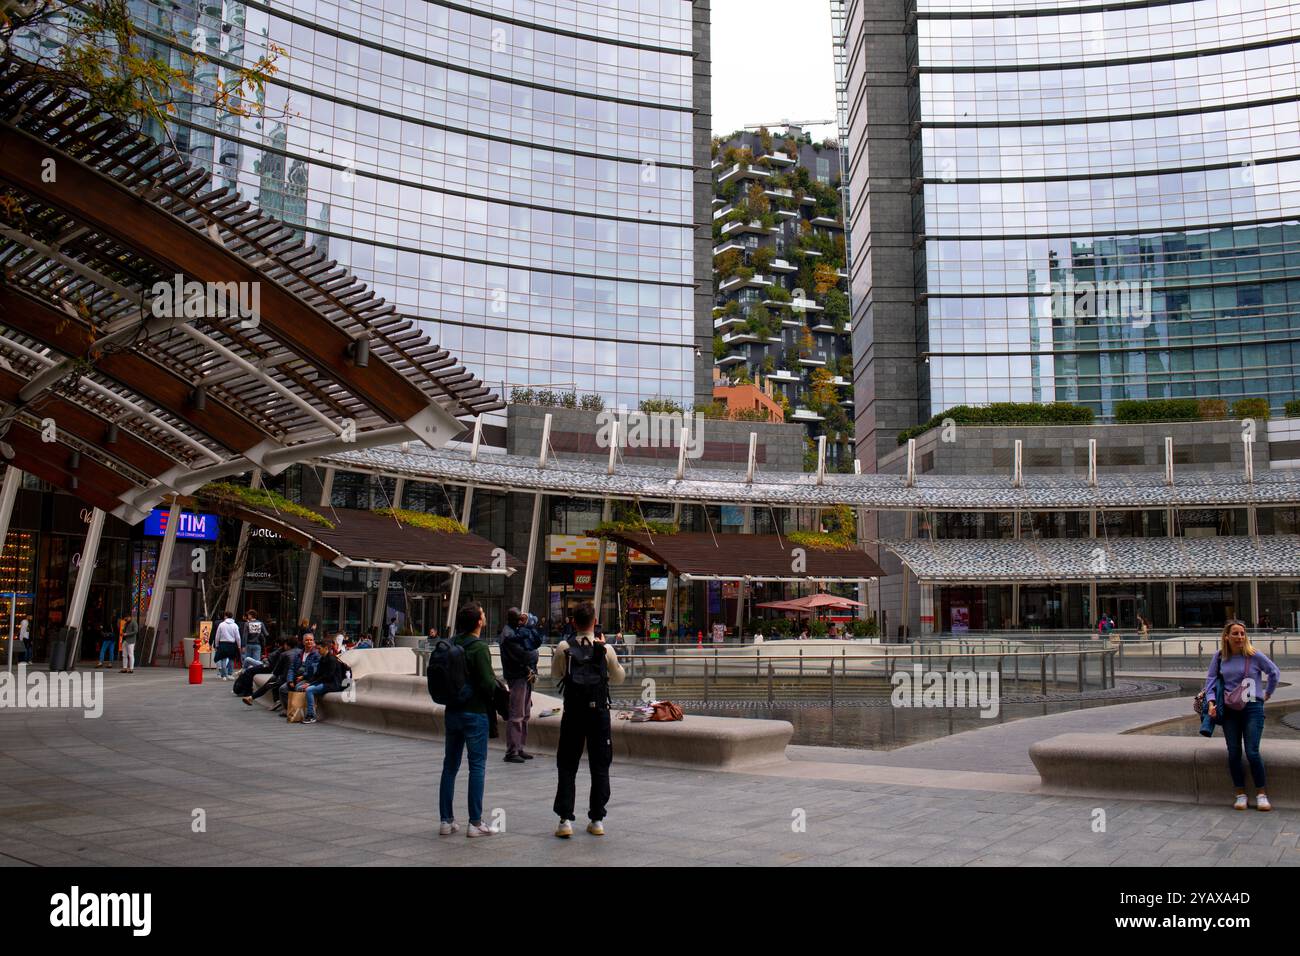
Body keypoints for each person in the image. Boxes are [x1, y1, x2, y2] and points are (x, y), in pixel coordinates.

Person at [551, 601, 626, 839]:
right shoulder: (605, 648)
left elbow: (555, 677)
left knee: (567, 765)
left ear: (573, 622)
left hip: (573, 713)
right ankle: (596, 819)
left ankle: (564, 820)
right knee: (600, 766)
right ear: (594, 622)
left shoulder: (564, 646)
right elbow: (619, 678)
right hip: (598, 714)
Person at [1204, 620, 1281, 811]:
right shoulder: (1220, 656)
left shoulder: (1253, 655)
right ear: (1226, 636)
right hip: (1229, 709)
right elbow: (1211, 681)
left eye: (1242, 633)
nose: (1240, 637)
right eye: (1236, 633)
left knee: (1252, 751)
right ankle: (1240, 793)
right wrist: (1211, 701)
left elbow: (1274, 672)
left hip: (1252, 707)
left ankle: (1261, 793)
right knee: (1234, 752)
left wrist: (1267, 694)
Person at [438, 602, 497, 838]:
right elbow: (486, 684)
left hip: (452, 712)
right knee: (477, 766)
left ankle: (446, 820)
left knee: (449, 766)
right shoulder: (479, 648)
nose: (484, 617)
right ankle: (475, 822)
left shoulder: (451, 644)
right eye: (482, 614)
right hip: (475, 713)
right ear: (479, 622)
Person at [499, 608, 545, 764]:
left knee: (524, 713)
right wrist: (536, 654)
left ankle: (519, 748)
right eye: (518, 618)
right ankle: (512, 750)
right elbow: (525, 655)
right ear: (512, 619)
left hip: (523, 675)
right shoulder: (509, 634)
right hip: (517, 676)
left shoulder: (515, 631)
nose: (521, 621)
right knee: (517, 714)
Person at [302, 641, 349, 725]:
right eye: (317, 649)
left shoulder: (332, 659)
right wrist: (309, 682)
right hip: (326, 682)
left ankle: (311, 715)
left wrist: (311, 684)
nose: (317, 651)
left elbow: (328, 676)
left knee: (309, 690)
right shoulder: (323, 658)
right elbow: (317, 674)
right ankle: (304, 712)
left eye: (319, 649)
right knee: (303, 687)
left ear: (326, 648)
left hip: (333, 684)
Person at [244, 637, 296, 709]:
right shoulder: (300, 651)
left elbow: (277, 671)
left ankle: (253, 698)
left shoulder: (284, 654)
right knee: (272, 681)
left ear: (286, 645)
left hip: (288, 677)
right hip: (292, 676)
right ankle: (252, 697)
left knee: (271, 683)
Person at [214, 612, 242, 680]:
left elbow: (217, 636)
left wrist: (216, 645)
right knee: (231, 659)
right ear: (232, 617)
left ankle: (224, 675)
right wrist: (239, 646)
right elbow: (238, 637)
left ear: (226, 616)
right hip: (232, 644)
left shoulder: (221, 624)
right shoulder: (235, 625)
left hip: (223, 643)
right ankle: (230, 674)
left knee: (223, 659)